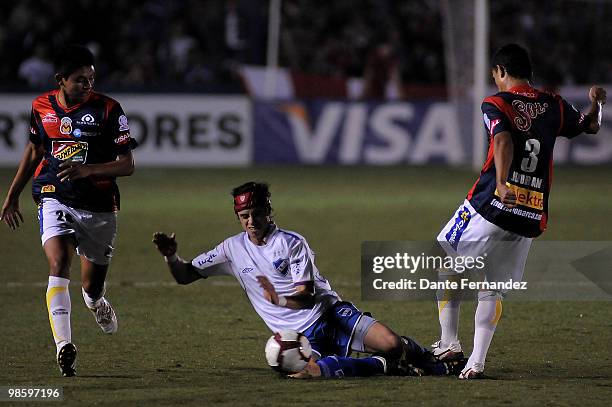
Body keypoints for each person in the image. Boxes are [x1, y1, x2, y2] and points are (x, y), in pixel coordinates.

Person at [153, 182, 465, 379]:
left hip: (330, 314)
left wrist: (278, 299)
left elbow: (305, 295)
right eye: (244, 216)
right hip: (297, 337)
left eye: (256, 213)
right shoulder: (231, 249)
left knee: (392, 343)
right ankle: (382, 366)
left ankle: (436, 361)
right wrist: (170, 256)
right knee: (308, 373)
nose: (251, 222)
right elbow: (185, 276)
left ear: (269, 211)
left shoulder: (291, 243)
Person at [433, 43, 606, 379]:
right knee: (492, 286)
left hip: (491, 204)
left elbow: (502, 141)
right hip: (530, 211)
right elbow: (591, 126)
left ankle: (449, 342)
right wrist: (598, 103)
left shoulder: (497, 103)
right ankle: (476, 362)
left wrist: (501, 183)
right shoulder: (553, 104)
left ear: (500, 72)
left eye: (495, 75)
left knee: (446, 266)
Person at [1, 44, 137, 377]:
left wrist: (89, 170)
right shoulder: (41, 106)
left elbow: (127, 164)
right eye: (79, 80)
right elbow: (34, 150)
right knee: (58, 261)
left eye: (91, 79)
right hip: (53, 193)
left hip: (99, 206)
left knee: (91, 285)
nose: (87, 85)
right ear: (60, 80)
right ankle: (64, 346)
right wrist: (12, 194)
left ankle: (95, 303)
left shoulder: (108, 110)